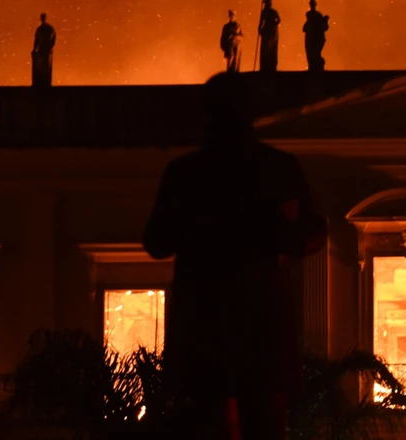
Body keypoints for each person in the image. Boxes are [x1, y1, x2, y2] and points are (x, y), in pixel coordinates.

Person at [144, 72, 325, 439]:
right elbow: (311, 233)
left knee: (215, 423)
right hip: (259, 332)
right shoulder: (278, 169)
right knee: (261, 425)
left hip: (207, 332)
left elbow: (157, 241)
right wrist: (278, 234)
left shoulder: (185, 174)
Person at [303, 0, 329, 71]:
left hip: (315, 37)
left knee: (314, 53)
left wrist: (325, 21)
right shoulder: (311, 15)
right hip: (312, 37)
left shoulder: (316, 15)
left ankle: (315, 66)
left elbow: (322, 26)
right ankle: (313, 66)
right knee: (312, 53)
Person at [32, 13, 57, 87]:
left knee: (46, 67)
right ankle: (41, 82)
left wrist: (50, 46)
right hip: (41, 50)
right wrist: (34, 49)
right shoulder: (39, 29)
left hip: (46, 50)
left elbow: (54, 37)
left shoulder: (49, 28)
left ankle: (46, 82)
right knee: (41, 66)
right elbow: (36, 40)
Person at [258, 0, 282, 72]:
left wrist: (260, 29)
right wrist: (260, 29)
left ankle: (270, 66)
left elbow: (279, 20)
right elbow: (261, 21)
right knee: (267, 49)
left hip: (271, 32)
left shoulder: (270, 11)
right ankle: (267, 66)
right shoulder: (266, 12)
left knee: (270, 49)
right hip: (268, 32)